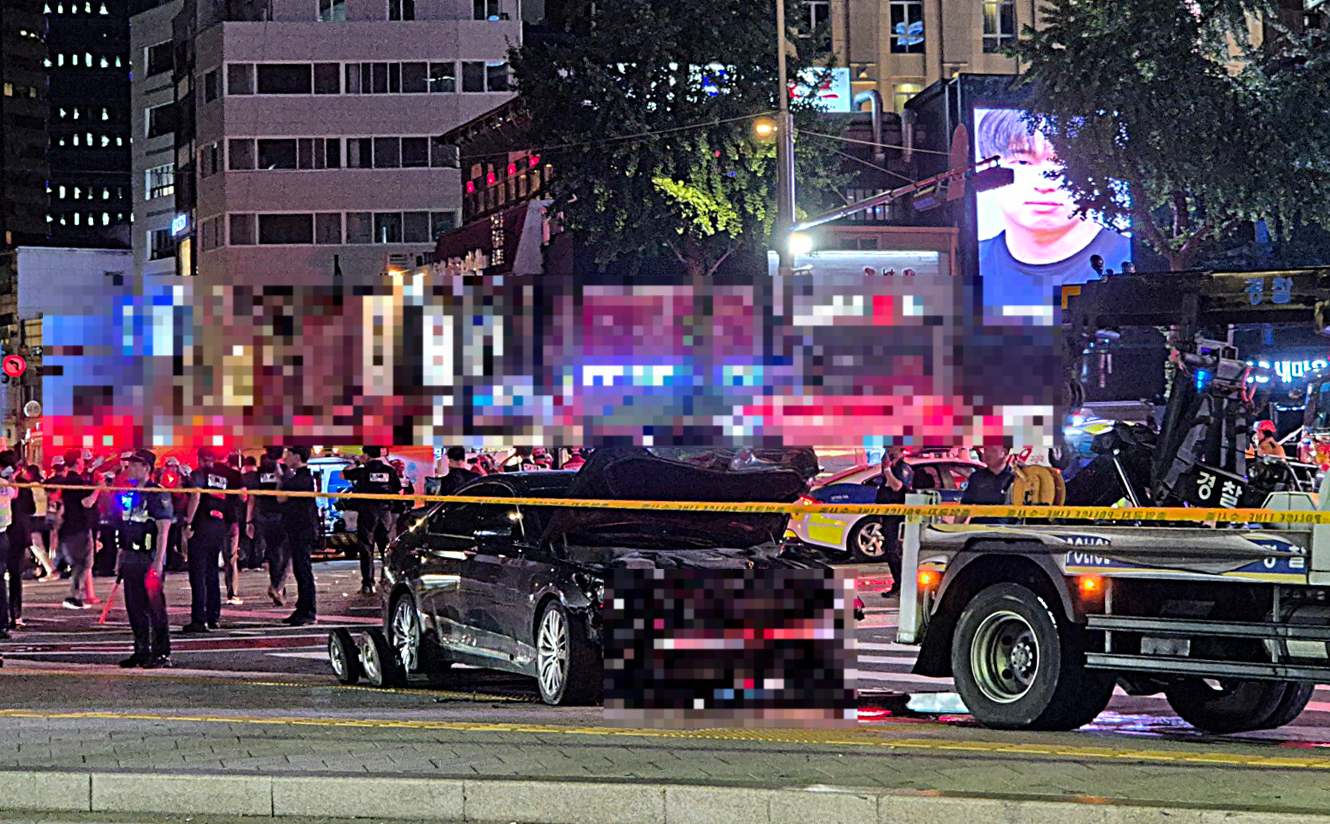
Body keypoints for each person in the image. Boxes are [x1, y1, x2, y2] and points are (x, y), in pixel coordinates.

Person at [976, 108, 1132, 314]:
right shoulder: (971, 263)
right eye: (1022, 162)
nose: (1043, 184)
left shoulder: (1124, 260)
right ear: (990, 167)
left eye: (1063, 164)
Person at [112, 449, 174, 669]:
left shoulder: (157, 494)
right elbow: (125, 526)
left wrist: (158, 561)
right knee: (134, 606)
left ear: (146, 468)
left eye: (134, 464)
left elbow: (163, 528)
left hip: (148, 557)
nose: (129, 468)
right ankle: (141, 650)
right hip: (131, 556)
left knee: (155, 607)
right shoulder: (129, 493)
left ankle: (161, 653)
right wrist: (121, 555)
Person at [183, 447, 245, 633]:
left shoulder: (200, 474)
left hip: (201, 524)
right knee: (212, 573)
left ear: (200, 459)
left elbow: (195, 494)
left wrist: (188, 523)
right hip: (219, 525)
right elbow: (242, 496)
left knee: (198, 574)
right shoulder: (227, 475)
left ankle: (199, 619)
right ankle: (213, 617)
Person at [49, 449, 102, 610]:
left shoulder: (65, 482)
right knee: (85, 562)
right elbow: (87, 502)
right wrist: (98, 487)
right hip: (79, 527)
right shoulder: (77, 482)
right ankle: (74, 596)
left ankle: (76, 595)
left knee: (79, 564)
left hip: (67, 527)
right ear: (77, 462)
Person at [344, 446, 400, 596]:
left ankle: (368, 584)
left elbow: (344, 474)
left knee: (366, 547)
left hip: (367, 512)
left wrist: (357, 462)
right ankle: (388, 580)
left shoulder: (363, 471)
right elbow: (397, 489)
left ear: (367, 455)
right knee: (386, 549)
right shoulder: (389, 471)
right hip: (385, 512)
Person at [276, 445, 318, 625]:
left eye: (289, 455)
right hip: (298, 529)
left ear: (297, 456)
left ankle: (308, 610)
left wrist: (280, 478)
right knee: (300, 569)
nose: (286, 458)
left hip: (302, 530)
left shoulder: (302, 479)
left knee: (303, 569)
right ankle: (303, 607)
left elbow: (280, 497)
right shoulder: (301, 478)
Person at [248, 447, 290, 606]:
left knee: (273, 554)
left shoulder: (259, 472)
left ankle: (278, 589)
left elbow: (252, 496)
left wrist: (249, 520)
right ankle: (278, 587)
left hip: (264, 516)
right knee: (285, 555)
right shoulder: (284, 470)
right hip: (282, 516)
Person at [875, 446, 914, 599]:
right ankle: (898, 583)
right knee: (891, 552)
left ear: (899, 450)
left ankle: (902, 585)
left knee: (895, 552)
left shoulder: (902, 468)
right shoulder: (891, 468)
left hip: (898, 518)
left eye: (891, 450)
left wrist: (887, 470)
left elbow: (897, 486)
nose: (888, 453)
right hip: (888, 517)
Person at [962, 444, 1017, 524]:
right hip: (979, 529)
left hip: (1006, 530)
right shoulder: (976, 477)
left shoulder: (1015, 478)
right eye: (985, 450)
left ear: (1004, 453)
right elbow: (964, 507)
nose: (988, 454)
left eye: (993, 451)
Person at [0, 451, 20, 637]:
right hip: (3, 536)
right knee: (1, 582)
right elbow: (15, 493)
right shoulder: (5, 485)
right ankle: (3, 624)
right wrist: (11, 476)